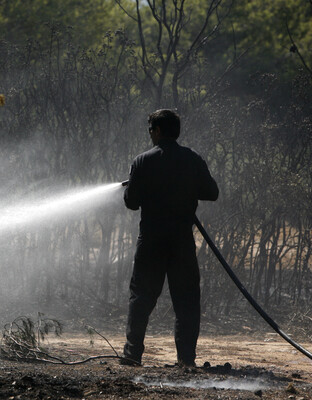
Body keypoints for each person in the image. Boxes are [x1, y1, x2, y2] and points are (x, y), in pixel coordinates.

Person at [121, 109, 219, 367]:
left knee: (141, 297)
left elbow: (131, 202)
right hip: (181, 243)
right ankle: (186, 360)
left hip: (151, 242)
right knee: (186, 301)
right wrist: (187, 188)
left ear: (159, 131)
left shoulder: (142, 161)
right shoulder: (192, 159)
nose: (150, 133)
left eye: (151, 129)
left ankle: (132, 355)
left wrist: (134, 184)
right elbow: (212, 192)